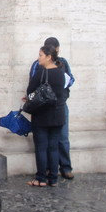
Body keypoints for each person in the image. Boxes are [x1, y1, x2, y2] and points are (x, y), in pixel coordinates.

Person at [30, 36, 75, 179]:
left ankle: (56, 170)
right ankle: (54, 172)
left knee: (55, 141)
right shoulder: (38, 65)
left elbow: (71, 79)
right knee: (56, 141)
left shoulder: (62, 63)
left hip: (55, 106)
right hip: (52, 107)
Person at [26, 44, 66, 187]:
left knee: (41, 147)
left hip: (42, 116)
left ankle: (41, 178)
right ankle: (53, 179)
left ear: (49, 57)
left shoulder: (41, 73)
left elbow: (30, 91)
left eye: (41, 55)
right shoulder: (61, 72)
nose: (39, 58)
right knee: (53, 147)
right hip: (58, 115)